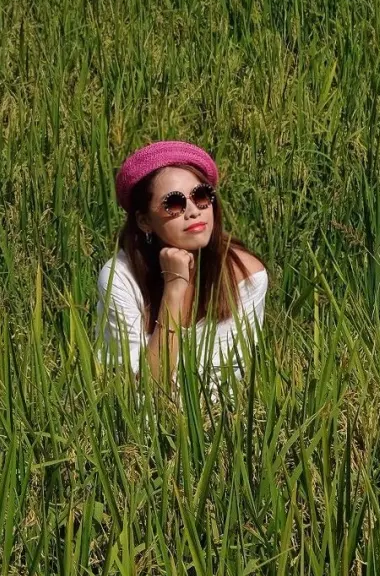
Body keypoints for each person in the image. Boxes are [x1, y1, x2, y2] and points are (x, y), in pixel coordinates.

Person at [95, 139, 268, 392]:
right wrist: (174, 288)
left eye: (201, 196)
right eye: (174, 204)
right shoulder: (120, 277)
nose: (193, 211)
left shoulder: (245, 276)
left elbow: (226, 381)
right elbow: (145, 389)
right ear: (145, 221)